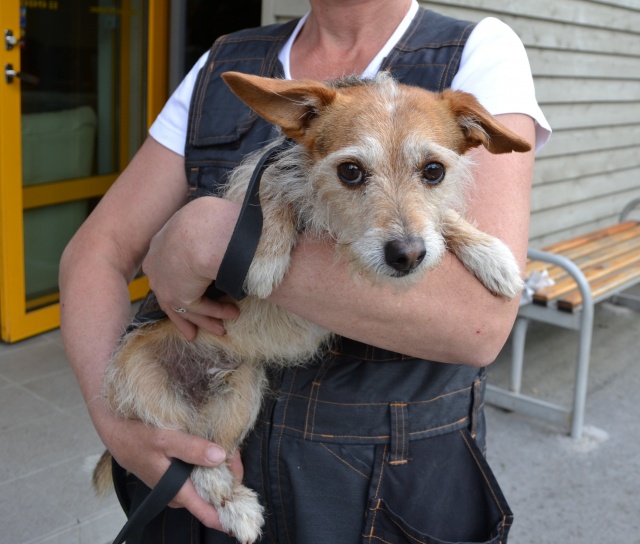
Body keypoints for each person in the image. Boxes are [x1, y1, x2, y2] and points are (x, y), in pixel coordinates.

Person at [60, 0, 551, 542]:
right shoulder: (222, 60)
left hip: (384, 496)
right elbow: (95, 251)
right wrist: (114, 423)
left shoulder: (481, 51)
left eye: (432, 169)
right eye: (353, 172)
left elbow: (480, 326)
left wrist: (213, 238)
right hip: (195, 482)